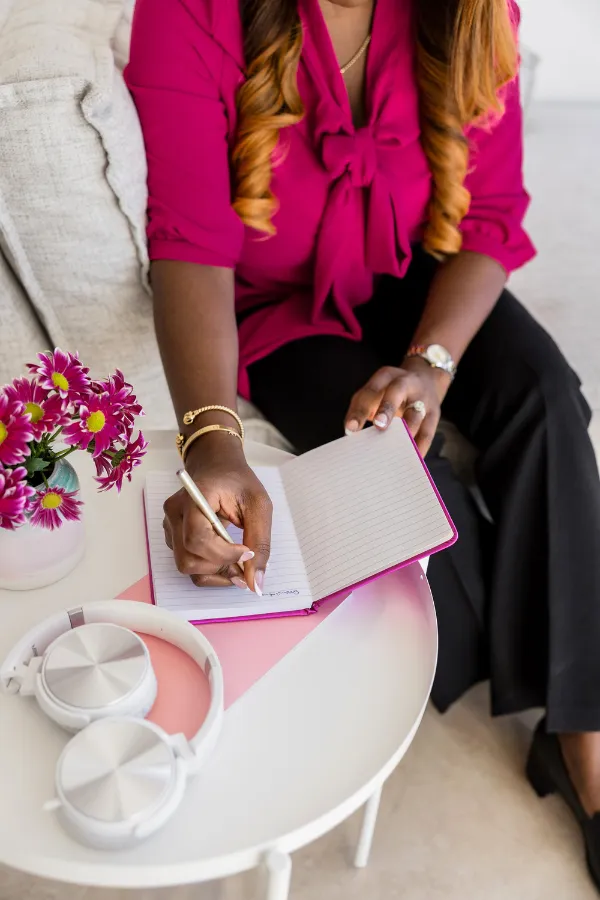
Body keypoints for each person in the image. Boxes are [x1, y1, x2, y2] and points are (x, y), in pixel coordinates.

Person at [126, 0, 600, 886]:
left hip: (419, 261)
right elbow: (188, 238)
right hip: (278, 312)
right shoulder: (189, 12)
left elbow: (489, 217)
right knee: (414, 504)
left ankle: (584, 739)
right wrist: (212, 442)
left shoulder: (469, 11)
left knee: (547, 396)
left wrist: (431, 363)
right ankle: (540, 626)